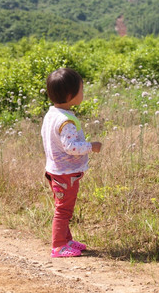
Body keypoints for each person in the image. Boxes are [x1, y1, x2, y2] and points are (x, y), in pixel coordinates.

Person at [41, 68, 102, 258]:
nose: (83, 94)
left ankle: (66, 240)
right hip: (65, 173)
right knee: (64, 210)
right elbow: (70, 147)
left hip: (56, 171)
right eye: (81, 90)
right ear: (70, 95)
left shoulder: (52, 114)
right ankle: (58, 245)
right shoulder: (66, 121)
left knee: (63, 207)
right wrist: (91, 146)